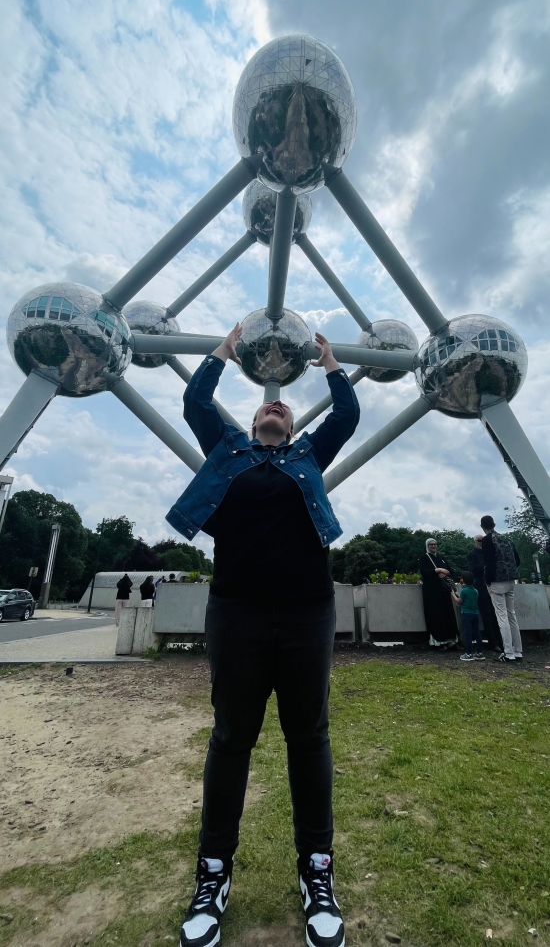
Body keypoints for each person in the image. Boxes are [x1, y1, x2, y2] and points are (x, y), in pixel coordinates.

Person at [165, 324, 360, 947]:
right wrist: (222, 351)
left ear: (294, 425)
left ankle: (317, 872)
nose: (276, 407)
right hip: (237, 611)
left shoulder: (308, 457)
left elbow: (347, 416)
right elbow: (196, 403)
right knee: (231, 739)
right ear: (251, 423)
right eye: (266, 406)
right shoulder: (226, 449)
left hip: (307, 611)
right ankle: (213, 873)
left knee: (309, 739)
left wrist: (331, 363)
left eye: (284, 407)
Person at [480, 515, 522, 663]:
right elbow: (517, 560)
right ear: (494, 524)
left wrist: (488, 580)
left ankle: (508, 652)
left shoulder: (487, 540)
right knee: (512, 616)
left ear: (482, 526)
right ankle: (518, 651)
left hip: (497, 582)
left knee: (501, 617)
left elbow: (489, 562)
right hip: (511, 579)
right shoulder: (506, 539)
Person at [418, 538, 459, 649]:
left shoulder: (441, 557)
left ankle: (450, 640)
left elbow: (451, 571)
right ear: (427, 546)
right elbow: (424, 572)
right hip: (432, 593)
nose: (433, 546)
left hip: (444, 591)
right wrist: (437, 571)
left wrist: (444, 573)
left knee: (448, 615)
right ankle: (439, 642)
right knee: (436, 616)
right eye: (431, 544)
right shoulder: (424, 558)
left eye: (435, 544)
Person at [467, 535, 502, 652]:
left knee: (497, 615)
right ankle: (493, 643)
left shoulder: (489, 553)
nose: (481, 543)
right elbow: (474, 570)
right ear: (475, 542)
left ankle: (501, 641)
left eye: (483, 541)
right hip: (481, 588)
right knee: (487, 616)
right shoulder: (471, 555)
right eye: (479, 541)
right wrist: (486, 563)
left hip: (493, 586)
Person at [452, 572, 485, 662]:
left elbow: (459, 602)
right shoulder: (475, 591)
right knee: (477, 633)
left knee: (468, 633)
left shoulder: (464, 591)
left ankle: (469, 653)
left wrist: (453, 595)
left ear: (463, 581)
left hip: (466, 613)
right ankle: (479, 652)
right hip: (475, 613)